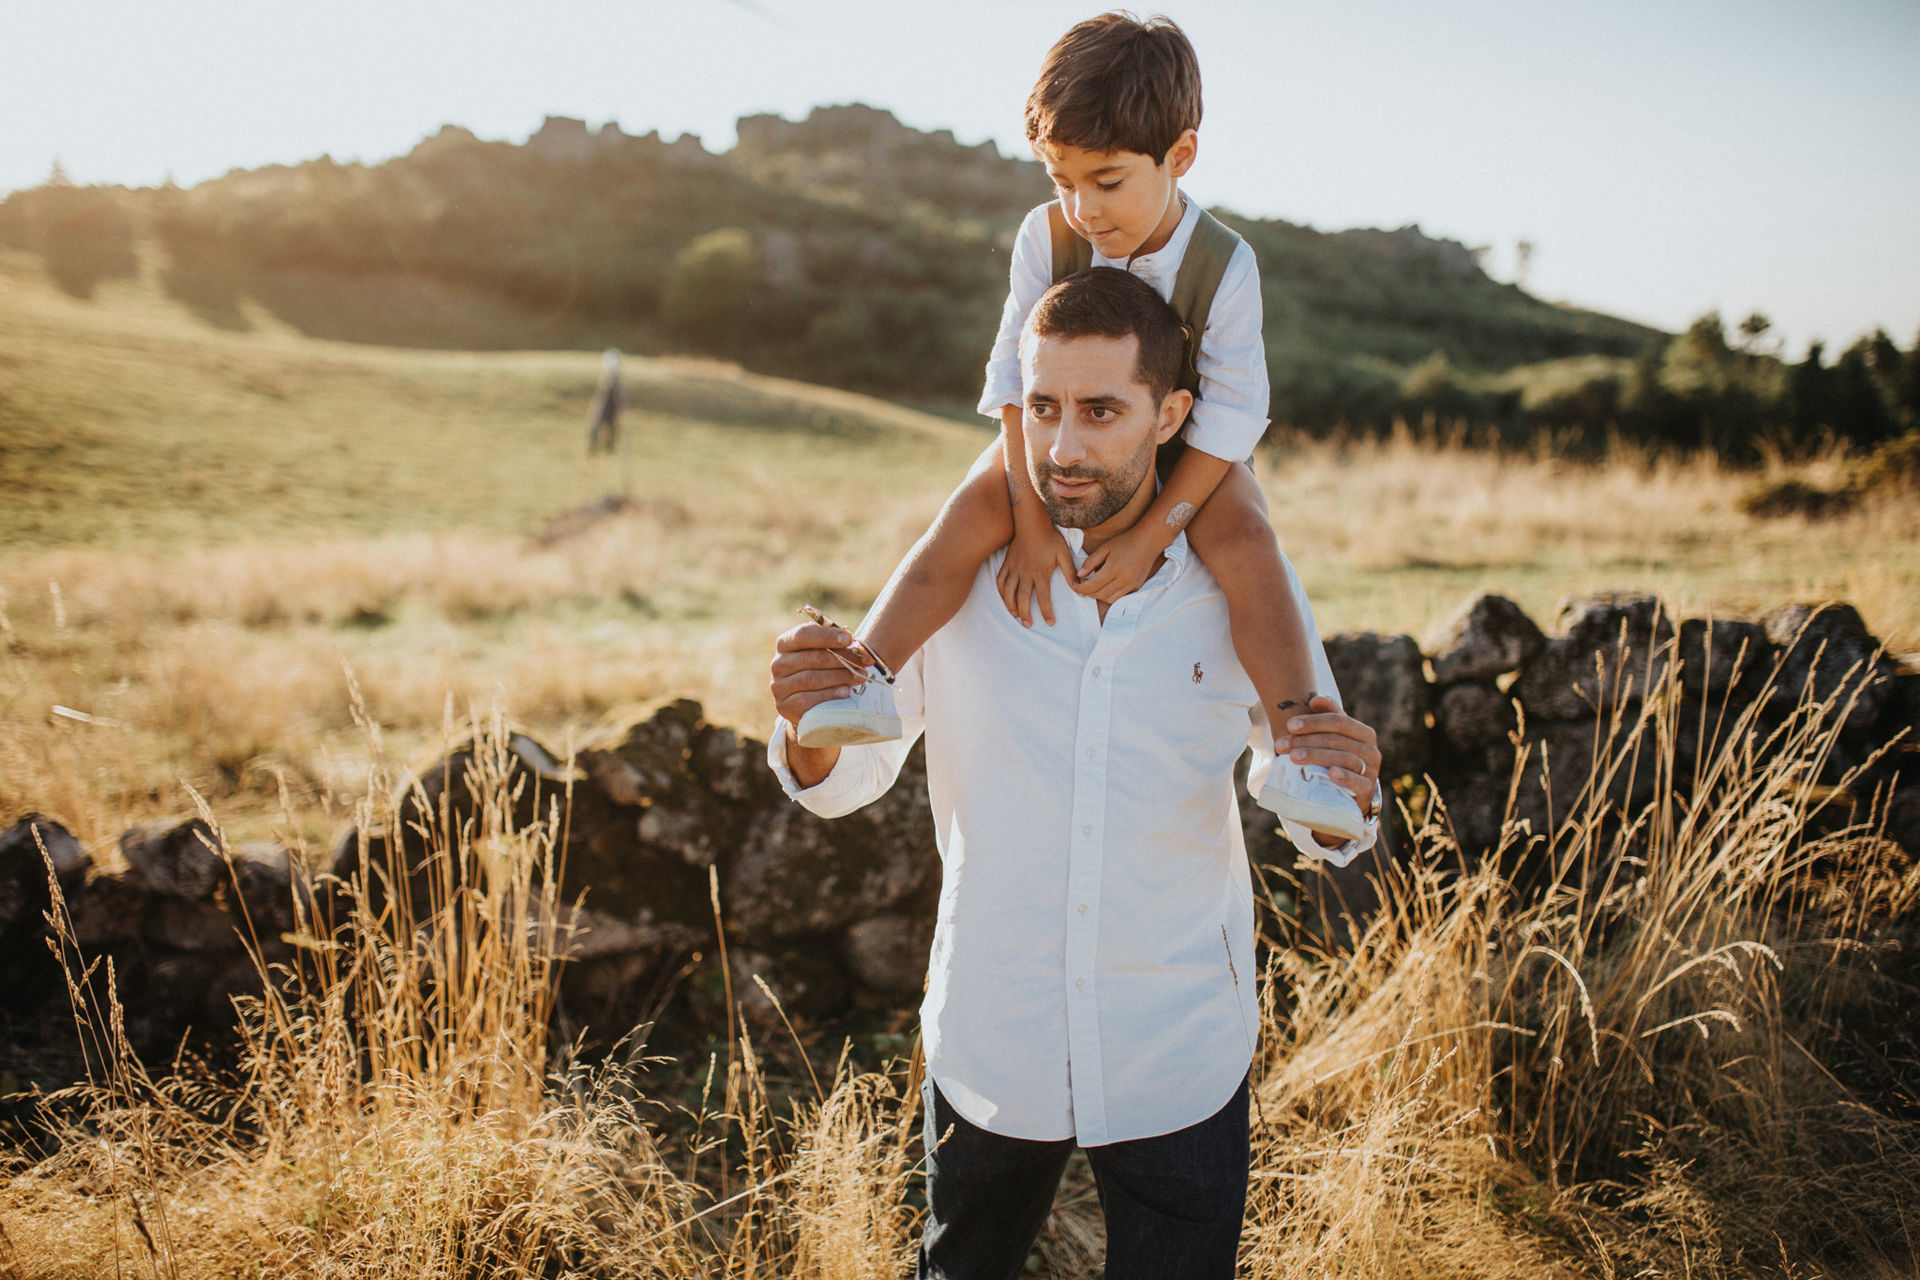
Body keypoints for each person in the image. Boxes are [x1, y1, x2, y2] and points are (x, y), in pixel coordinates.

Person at [767, 267, 1384, 1278]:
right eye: (1044, 406)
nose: (1062, 445)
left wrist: (1343, 798)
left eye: (1101, 410)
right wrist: (807, 723)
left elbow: (1314, 792)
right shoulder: (964, 567)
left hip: (1178, 1038)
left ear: (1173, 411)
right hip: (991, 1031)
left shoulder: (1238, 578)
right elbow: (846, 769)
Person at [791, 12, 1366, 843]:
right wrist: (1028, 524)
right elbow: (1010, 383)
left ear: (1181, 157)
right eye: (1061, 179)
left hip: (1192, 450)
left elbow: (1234, 417)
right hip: (1051, 430)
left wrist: (1156, 534)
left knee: (1246, 536)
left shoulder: (1224, 264)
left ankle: (1304, 747)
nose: (1082, 207)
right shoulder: (1046, 234)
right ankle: (866, 677)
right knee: (967, 511)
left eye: (1107, 181)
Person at [585, 348, 625, 455]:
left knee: (610, 432)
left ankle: (608, 451)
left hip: (610, 411)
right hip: (601, 410)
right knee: (594, 431)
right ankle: (594, 451)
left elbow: (619, 400)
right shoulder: (607, 380)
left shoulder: (615, 382)